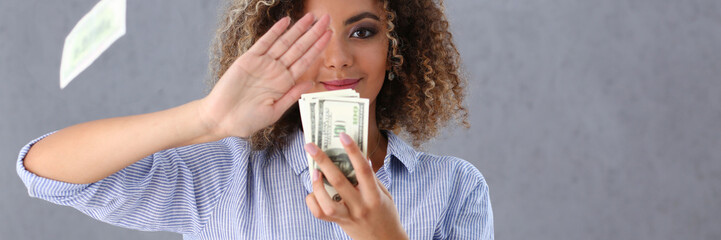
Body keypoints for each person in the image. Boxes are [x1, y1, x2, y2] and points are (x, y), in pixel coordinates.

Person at [17, 0, 493, 239]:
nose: (338, 60)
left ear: (395, 50)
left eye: (362, 32)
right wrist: (207, 120)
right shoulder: (226, 174)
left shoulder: (453, 188)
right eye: (313, 35)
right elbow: (43, 171)